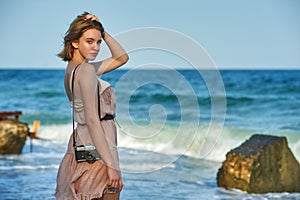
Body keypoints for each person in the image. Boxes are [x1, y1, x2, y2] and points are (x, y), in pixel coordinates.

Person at [55, 12, 128, 200]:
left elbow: (121, 58)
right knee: (110, 192)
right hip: (98, 144)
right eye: (89, 41)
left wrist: (102, 31)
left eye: (98, 42)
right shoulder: (86, 70)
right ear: (74, 42)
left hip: (83, 141)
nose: (95, 47)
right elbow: (93, 120)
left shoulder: (74, 70)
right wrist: (111, 166)